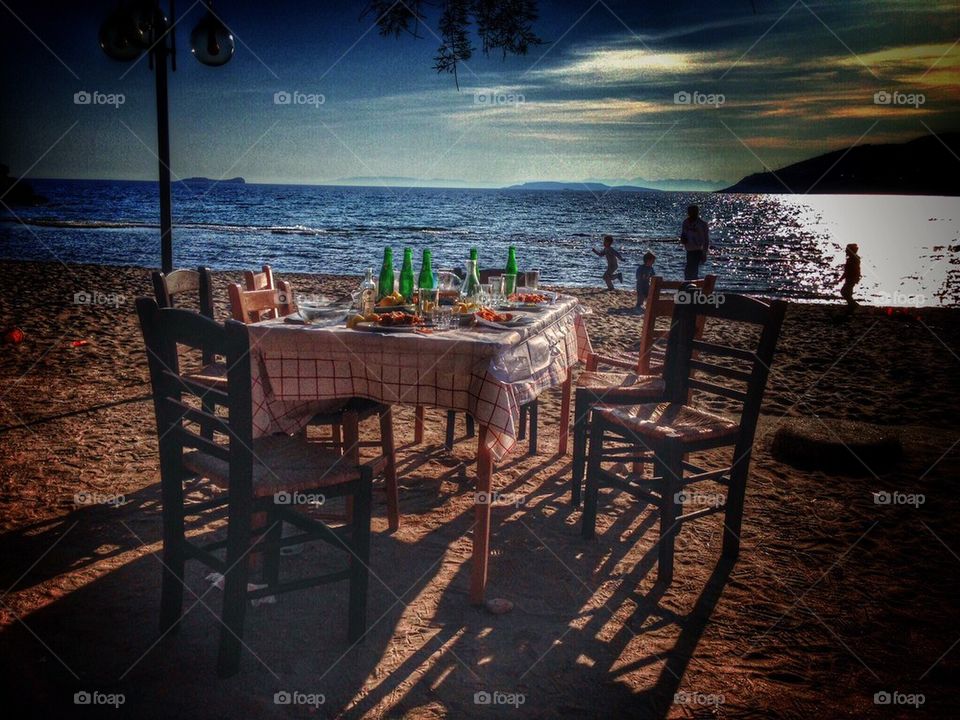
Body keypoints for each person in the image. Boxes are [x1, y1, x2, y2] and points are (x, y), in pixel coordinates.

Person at [679, 205, 709, 281]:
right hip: (689, 250)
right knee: (688, 271)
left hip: (697, 250)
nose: (690, 214)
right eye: (689, 212)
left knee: (692, 270)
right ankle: (689, 286)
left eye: (692, 212)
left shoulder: (702, 224)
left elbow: (706, 240)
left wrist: (704, 253)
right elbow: (683, 235)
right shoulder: (686, 222)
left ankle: (692, 287)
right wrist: (683, 239)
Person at [839, 243, 861, 311]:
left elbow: (851, 270)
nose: (846, 251)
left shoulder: (853, 259)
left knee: (844, 291)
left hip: (851, 278)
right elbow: (848, 271)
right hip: (851, 278)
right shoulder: (853, 259)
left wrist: (842, 277)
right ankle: (852, 304)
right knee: (847, 292)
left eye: (847, 250)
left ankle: (853, 304)